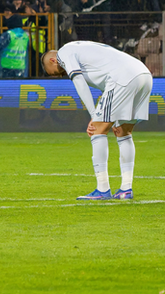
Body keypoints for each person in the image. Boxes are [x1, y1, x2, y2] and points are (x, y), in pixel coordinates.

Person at [42, 42, 153, 200]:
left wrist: (94, 116)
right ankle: (126, 189)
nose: (60, 75)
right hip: (143, 74)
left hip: (122, 77)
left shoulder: (63, 53)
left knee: (97, 131)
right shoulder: (85, 48)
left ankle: (102, 190)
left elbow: (79, 82)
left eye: (54, 73)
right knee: (123, 132)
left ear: (53, 60)